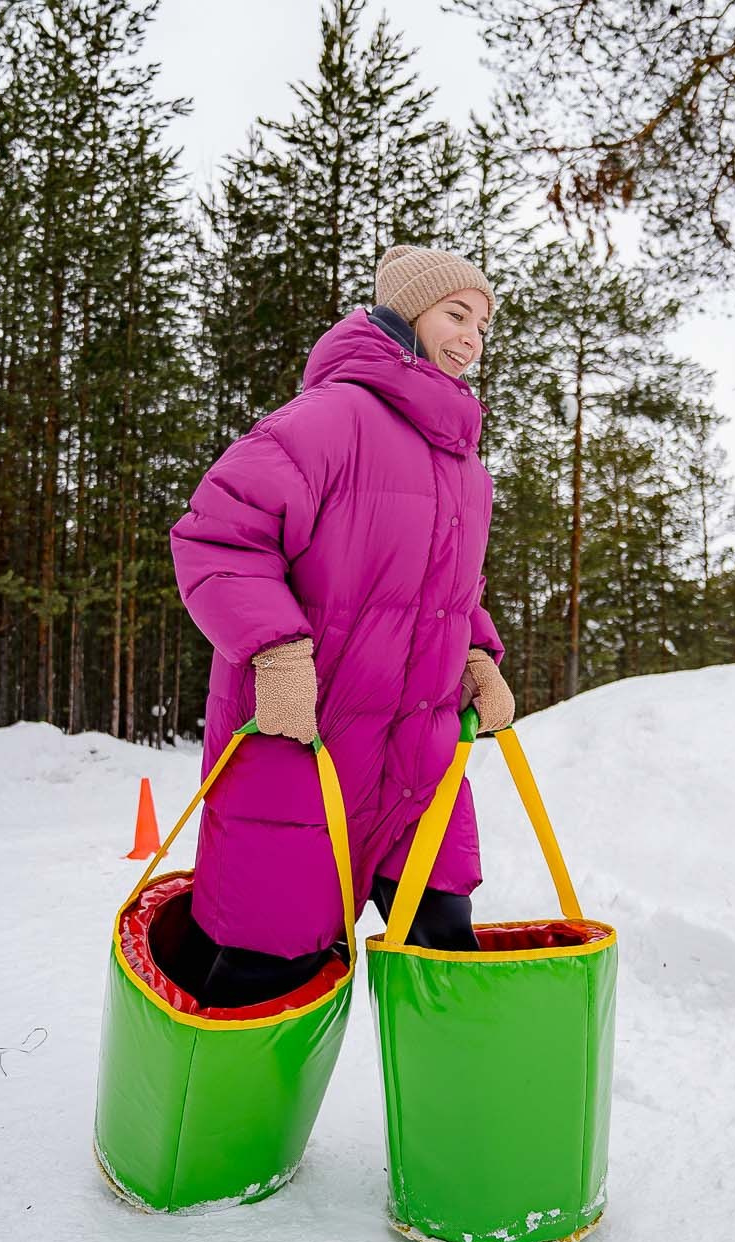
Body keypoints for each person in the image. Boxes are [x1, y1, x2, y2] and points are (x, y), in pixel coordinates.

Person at [165, 245, 516, 1008]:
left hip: (418, 755)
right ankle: (207, 1120)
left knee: (443, 954)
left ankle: (454, 1127)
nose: (471, 339)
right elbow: (217, 536)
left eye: (483, 325)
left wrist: (479, 656)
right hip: (306, 746)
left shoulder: (466, 468)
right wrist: (276, 651)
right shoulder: (330, 419)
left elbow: (450, 588)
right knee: (266, 966)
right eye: (456, 314)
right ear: (403, 313)